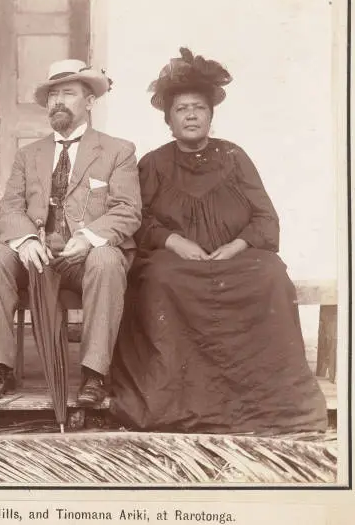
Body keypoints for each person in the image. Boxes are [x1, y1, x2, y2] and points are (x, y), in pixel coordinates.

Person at [109, 47, 328, 434]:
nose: (191, 115)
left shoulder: (234, 156)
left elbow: (265, 217)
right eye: (181, 109)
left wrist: (237, 246)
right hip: (175, 262)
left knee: (271, 273)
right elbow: (137, 220)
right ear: (169, 120)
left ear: (211, 115)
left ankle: (261, 401)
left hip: (234, 259)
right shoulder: (154, 163)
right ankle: (177, 400)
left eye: (198, 108)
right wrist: (175, 242)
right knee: (160, 278)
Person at [0, 59, 142, 406]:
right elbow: (10, 206)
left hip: (86, 258)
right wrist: (25, 240)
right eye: (53, 95)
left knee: (108, 260)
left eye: (68, 93)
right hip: (38, 253)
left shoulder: (118, 150)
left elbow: (127, 209)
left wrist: (88, 238)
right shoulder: (28, 154)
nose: (58, 102)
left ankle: (94, 374)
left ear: (90, 101)